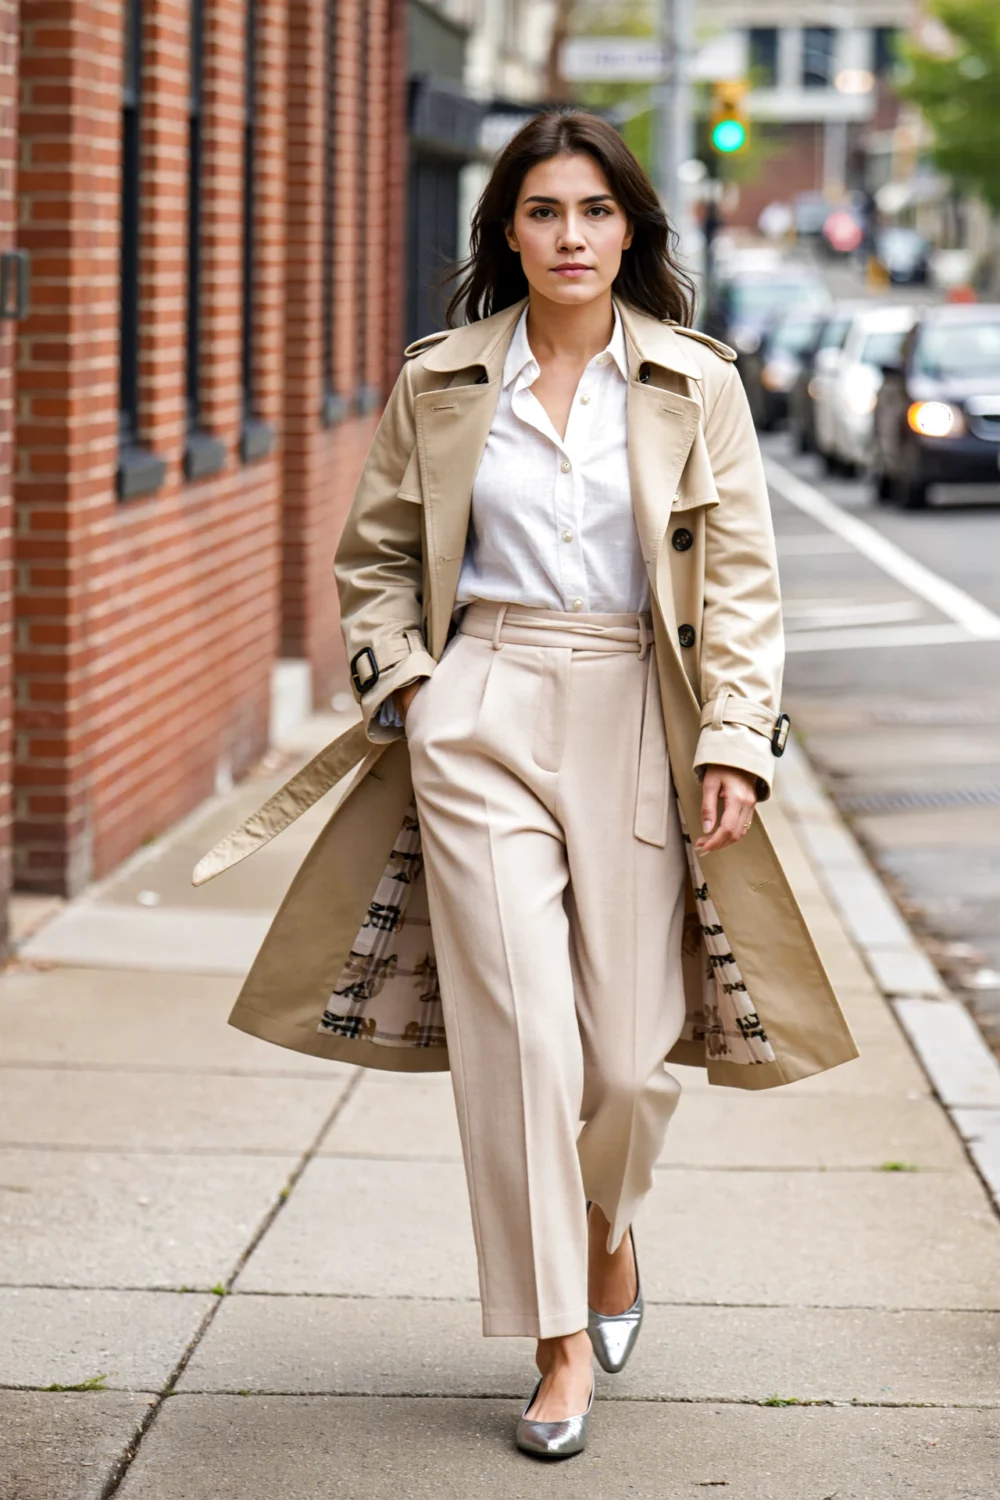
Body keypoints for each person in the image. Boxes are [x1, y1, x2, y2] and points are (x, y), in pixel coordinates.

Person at [194, 108, 857, 1463]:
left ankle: (609, 1238)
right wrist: (412, 690)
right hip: (481, 701)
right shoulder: (440, 381)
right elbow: (375, 559)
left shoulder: (695, 383)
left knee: (624, 1058)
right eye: (545, 211)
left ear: (631, 230)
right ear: (508, 226)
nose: (571, 236)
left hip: (637, 707)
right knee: (520, 1041)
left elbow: (740, 586)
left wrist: (734, 735)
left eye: (596, 212)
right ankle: (559, 1340)